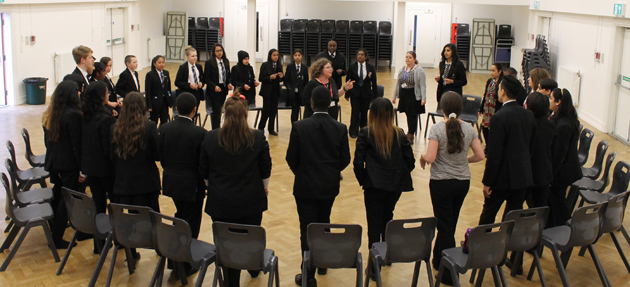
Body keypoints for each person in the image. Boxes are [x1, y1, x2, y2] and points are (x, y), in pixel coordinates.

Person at [199, 94, 272, 287]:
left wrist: (209, 187)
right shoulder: (256, 137)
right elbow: (266, 167)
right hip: (251, 201)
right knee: (250, 237)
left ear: (224, 114)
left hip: (220, 201)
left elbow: (203, 169)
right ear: (245, 115)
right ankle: (253, 265)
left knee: (226, 243)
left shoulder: (210, 136)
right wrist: (265, 188)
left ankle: (231, 279)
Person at [286, 86, 351, 287]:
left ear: (311, 103)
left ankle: (308, 273)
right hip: (328, 185)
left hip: (305, 185)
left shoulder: (299, 126)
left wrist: (303, 172)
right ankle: (322, 263)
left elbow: (291, 158)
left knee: (307, 227)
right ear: (330, 104)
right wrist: (330, 172)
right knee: (324, 223)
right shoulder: (340, 128)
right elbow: (345, 159)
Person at [419, 91, 484, 284]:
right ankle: (438, 259)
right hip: (462, 182)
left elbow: (430, 158)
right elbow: (480, 155)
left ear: (443, 108)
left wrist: (422, 157)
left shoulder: (437, 129)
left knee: (445, 226)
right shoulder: (470, 129)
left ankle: (448, 271)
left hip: (441, 183)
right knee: (449, 222)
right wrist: (464, 160)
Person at [353, 98, 414, 249]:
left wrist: (365, 180)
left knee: (374, 223)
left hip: (373, 185)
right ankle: (387, 253)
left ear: (372, 114)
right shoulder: (399, 133)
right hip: (395, 185)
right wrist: (399, 175)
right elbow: (410, 161)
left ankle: (375, 264)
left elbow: (358, 163)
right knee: (388, 217)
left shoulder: (366, 133)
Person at [158, 92, 207, 276]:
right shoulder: (200, 133)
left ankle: (176, 260)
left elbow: (161, 157)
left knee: (180, 216)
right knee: (191, 223)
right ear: (195, 110)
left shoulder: (164, 128)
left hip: (172, 182)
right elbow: (202, 163)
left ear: (176, 108)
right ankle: (184, 264)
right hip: (192, 186)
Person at [478, 75, 537, 225]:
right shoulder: (529, 115)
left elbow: (494, 154)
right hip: (522, 175)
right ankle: (506, 243)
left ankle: (480, 244)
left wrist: (487, 181)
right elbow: (531, 146)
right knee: (513, 216)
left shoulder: (499, 117)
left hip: (501, 178)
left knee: (489, 213)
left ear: (503, 92)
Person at [42, 80, 84, 248]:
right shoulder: (72, 115)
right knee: (67, 201)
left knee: (60, 194)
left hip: (59, 162)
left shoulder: (55, 113)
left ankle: (57, 227)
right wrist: (82, 169)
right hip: (70, 165)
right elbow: (76, 145)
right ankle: (57, 236)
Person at [81, 81, 116, 252]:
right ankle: (121, 240)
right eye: (107, 93)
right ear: (102, 97)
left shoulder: (85, 115)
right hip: (105, 168)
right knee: (114, 204)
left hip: (90, 167)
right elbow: (108, 148)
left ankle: (99, 243)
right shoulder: (105, 119)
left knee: (98, 203)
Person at [111, 91, 161, 211]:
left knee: (130, 223)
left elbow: (112, 156)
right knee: (150, 222)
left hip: (124, 183)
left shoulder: (115, 128)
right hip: (146, 183)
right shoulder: (149, 126)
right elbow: (157, 155)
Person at [547, 88, 582, 227]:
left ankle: (568, 227)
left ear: (558, 102)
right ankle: (553, 224)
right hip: (563, 169)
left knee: (559, 201)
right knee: (555, 199)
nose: (549, 100)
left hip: (564, 171)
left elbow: (559, 155)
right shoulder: (562, 119)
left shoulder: (564, 125)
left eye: (551, 98)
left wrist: (551, 175)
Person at [525, 92, 556, 209]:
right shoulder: (551, 125)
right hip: (544, 171)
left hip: (528, 172)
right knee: (540, 206)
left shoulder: (527, 125)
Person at [392, 51, 427, 142]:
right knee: (407, 114)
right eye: (406, 57)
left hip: (413, 95)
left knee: (412, 115)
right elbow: (398, 84)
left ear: (414, 59)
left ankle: (411, 133)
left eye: (410, 57)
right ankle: (410, 131)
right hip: (404, 94)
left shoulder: (419, 70)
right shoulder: (402, 69)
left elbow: (423, 85)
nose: (407, 59)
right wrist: (394, 96)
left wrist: (423, 98)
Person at [346, 48, 378, 138]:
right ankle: (353, 131)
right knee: (355, 112)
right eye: (358, 54)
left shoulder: (370, 67)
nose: (359, 56)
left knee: (364, 113)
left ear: (365, 57)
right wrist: (347, 94)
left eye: (362, 54)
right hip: (355, 94)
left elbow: (374, 82)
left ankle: (364, 131)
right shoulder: (352, 66)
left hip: (366, 94)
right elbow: (348, 80)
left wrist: (375, 97)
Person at [205, 43, 233, 129]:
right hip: (214, 90)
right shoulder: (209, 62)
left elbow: (228, 75)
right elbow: (206, 78)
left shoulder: (226, 61)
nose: (219, 52)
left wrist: (229, 83)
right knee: (216, 111)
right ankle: (216, 129)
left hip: (223, 89)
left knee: (220, 110)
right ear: (214, 52)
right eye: (217, 51)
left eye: (220, 50)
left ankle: (217, 127)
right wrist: (214, 87)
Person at [257, 49, 283, 136]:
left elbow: (280, 79)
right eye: (274, 55)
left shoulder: (279, 65)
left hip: (275, 91)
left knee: (274, 110)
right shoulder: (265, 65)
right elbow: (260, 78)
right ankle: (261, 127)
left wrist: (282, 77)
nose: (276, 57)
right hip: (267, 91)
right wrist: (269, 78)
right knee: (266, 110)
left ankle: (271, 128)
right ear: (270, 56)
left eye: (277, 55)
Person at [478, 63, 504, 150]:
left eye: (494, 71)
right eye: (491, 71)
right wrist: (481, 108)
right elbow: (485, 94)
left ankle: (493, 147)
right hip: (487, 108)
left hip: (495, 109)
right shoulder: (490, 81)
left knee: (493, 128)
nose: (492, 73)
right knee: (484, 127)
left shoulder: (502, 83)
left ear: (499, 71)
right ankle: (487, 145)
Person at [145, 55, 172, 126]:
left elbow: (168, 88)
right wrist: (149, 105)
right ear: (154, 64)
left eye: (163, 62)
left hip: (164, 101)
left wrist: (170, 100)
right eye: (159, 63)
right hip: (155, 102)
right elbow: (148, 91)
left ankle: (162, 134)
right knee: (154, 121)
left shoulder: (166, 73)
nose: (161, 64)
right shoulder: (150, 75)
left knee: (164, 120)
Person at [284, 49, 309, 124]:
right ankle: (294, 124)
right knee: (294, 109)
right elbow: (286, 80)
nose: (297, 57)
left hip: (301, 93)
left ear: (302, 56)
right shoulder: (290, 67)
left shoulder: (304, 67)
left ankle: (300, 125)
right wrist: (289, 88)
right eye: (295, 55)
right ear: (293, 57)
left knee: (299, 108)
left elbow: (306, 81)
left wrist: (304, 89)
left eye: (299, 55)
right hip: (292, 93)